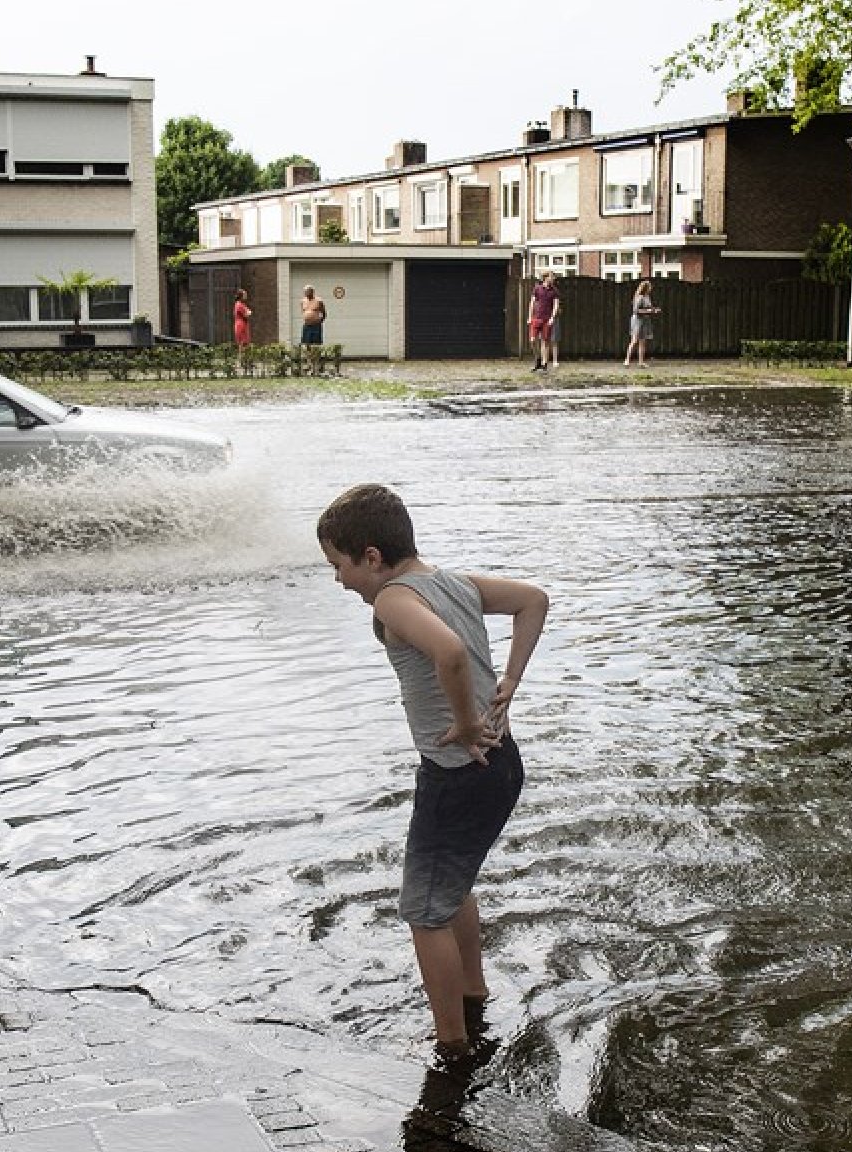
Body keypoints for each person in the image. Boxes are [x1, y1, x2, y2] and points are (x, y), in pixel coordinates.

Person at [316, 483, 550, 1061]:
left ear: (371, 556)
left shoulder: (392, 599)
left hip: (458, 771)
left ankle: (452, 1049)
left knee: (423, 913)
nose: (339, 579)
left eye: (339, 565)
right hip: (500, 766)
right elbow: (534, 599)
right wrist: (511, 679)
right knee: (452, 890)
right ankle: (473, 996)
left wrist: (467, 722)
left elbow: (446, 653)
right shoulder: (455, 583)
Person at [528, 271, 561, 371]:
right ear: (546, 278)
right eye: (551, 276)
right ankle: (537, 358)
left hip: (547, 319)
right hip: (537, 318)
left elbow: (556, 305)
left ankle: (544, 363)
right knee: (532, 340)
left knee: (545, 341)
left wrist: (552, 317)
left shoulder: (554, 290)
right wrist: (529, 317)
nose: (553, 278)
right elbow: (532, 303)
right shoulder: (537, 288)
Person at [623, 279, 659, 367]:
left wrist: (654, 310)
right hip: (638, 320)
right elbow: (636, 310)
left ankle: (641, 362)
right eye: (649, 287)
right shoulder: (639, 297)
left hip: (645, 320)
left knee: (643, 341)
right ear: (645, 288)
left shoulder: (647, 297)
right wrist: (648, 311)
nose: (651, 288)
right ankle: (627, 360)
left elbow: (649, 307)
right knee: (634, 340)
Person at [300, 285, 327, 373]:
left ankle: (317, 364)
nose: (306, 294)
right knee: (307, 345)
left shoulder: (319, 301)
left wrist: (318, 321)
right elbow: (303, 311)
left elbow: (324, 313)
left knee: (316, 345)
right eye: (305, 292)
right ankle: (309, 364)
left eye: (307, 292)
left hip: (316, 326)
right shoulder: (303, 301)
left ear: (312, 292)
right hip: (307, 326)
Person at [233, 288, 253, 372]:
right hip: (241, 325)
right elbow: (247, 314)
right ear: (240, 296)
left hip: (243, 324)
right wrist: (248, 312)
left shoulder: (241, 304)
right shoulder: (239, 305)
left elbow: (248, 312)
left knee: (245, 344)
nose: (246, 296)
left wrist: (248, 312)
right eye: (244, 294)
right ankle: (243, 363)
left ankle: (245, 362)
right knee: (242, 344)